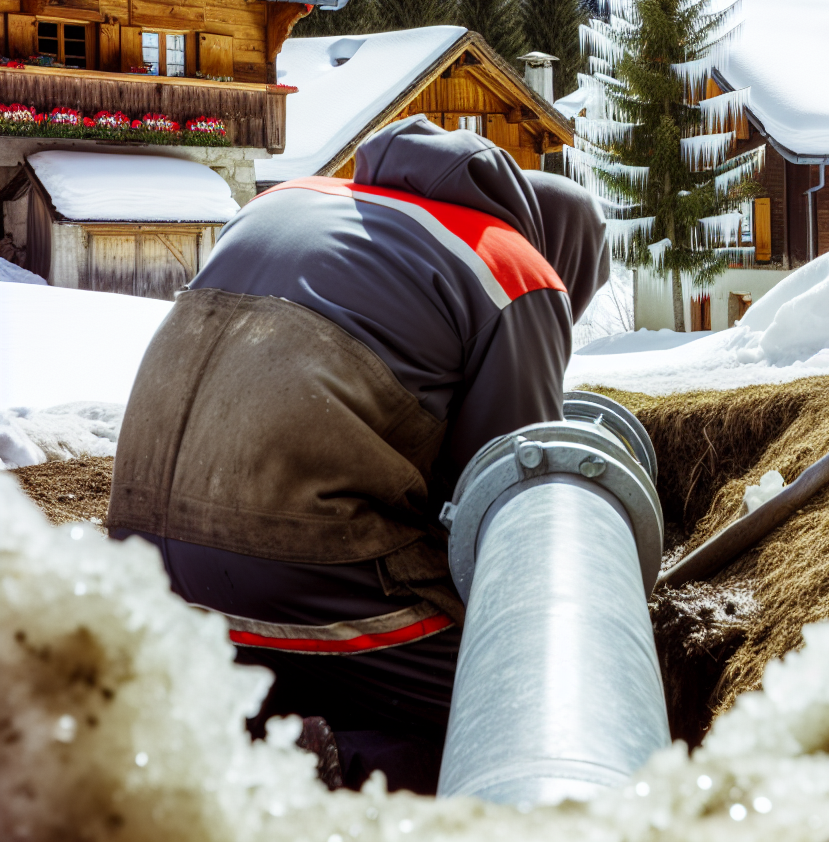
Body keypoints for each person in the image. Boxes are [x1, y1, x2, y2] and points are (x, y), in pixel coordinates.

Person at [108, 115, 609, 793]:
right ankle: (329, 766)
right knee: (520, 705)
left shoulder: (282, 202)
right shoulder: (514, 268)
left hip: (143, 561)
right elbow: (500, 513)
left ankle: (228, 731)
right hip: (299, 571)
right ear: (564, 253)